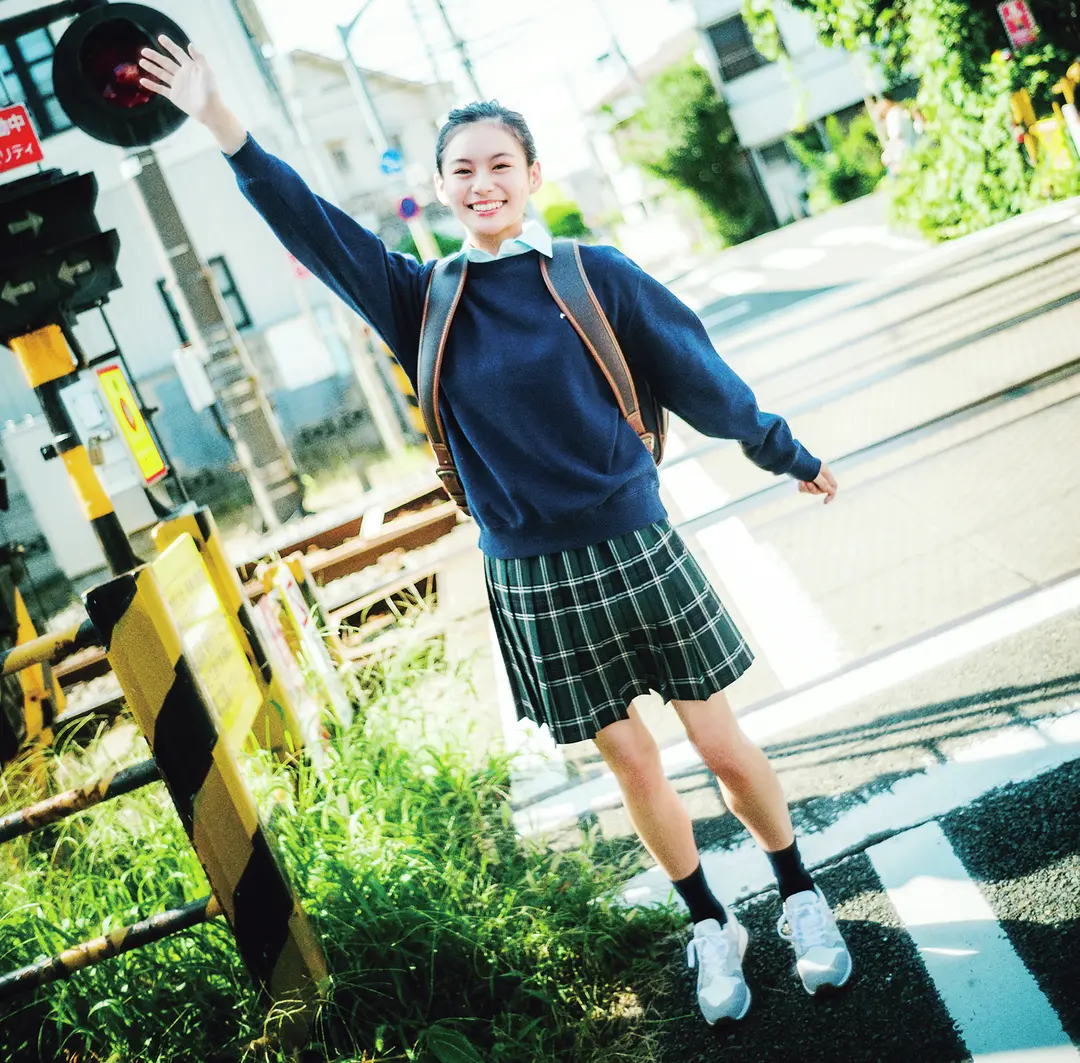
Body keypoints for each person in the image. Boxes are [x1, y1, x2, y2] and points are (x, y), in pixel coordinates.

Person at [138, 35, 850, 1026]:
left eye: (499, 166)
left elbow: (701, 375)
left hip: (641, 547)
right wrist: (221, 122)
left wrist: (786, 450)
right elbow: (307, 224)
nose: (482, 184)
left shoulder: (595, 274)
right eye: (462, 170)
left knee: (719, 742)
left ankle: (800, 894)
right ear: (438, 188)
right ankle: (708, 921)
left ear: (531, 176)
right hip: (530, 575)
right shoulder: (420, 299)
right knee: (633, 762)